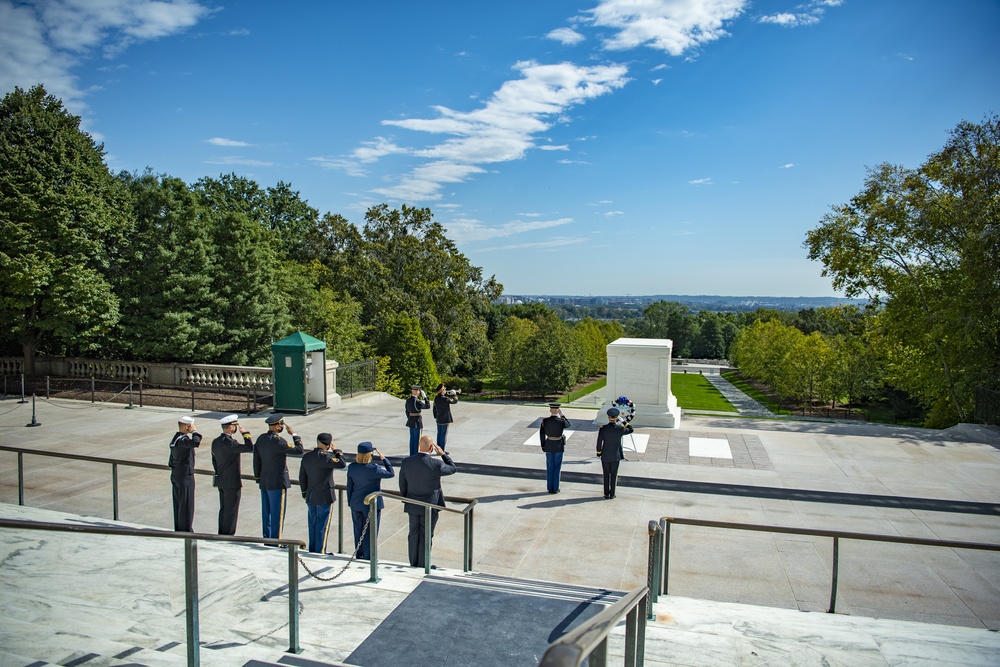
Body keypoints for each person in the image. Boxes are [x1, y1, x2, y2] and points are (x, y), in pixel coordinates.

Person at [399, 435, 456, 568]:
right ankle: (424, 564)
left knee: (413, 534)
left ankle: (414, 562)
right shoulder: (436, 464)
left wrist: (405, 498)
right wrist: (443, 455)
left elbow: (402, 483)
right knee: (426, 535)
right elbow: (452, 468)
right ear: (431, 448)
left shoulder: (407, 462)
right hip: (430, 505)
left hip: (412, 503)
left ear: (419, 445)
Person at [253, 413, 304, 542]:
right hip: (277, 481)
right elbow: (299, 450)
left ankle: (267, 539)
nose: (282, 427)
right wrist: (294, 435)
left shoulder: (261, 439)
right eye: (281, 424)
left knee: (267, 513)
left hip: (264, 481)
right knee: (277, 514)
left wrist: (258, 477)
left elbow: (256, 460)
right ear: (276, 426)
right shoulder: (279, 442)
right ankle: (276, 541)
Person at [346, 441, 394, 560]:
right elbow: (390, 473)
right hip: (371, 505)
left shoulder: (352, 467)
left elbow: (349, 487)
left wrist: (350, 502)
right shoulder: (374, 469)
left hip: (356, 503)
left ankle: (359, 554)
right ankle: (369, 556)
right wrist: (385, 460)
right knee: (371, 532)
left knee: (358, 530)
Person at [298, 433, 346, 554]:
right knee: (322, 525)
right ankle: (320, 551)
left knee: (312, 523)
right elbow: (342, 463)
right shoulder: (326, 457)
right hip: (324, 495)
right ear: (328, 445)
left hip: (310, 494)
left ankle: (313, 548)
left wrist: (304, 493)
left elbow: (302, 477)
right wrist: (337, 451)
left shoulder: (307, 456)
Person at [211, 414, 254, 535]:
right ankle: (228, 535)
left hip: (221, 480)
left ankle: (222, 532)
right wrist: (246, 434)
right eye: (235, 426)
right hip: (232, 482)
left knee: (224, 508)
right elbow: (249, 447)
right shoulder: (231, 443)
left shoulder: (216, 442)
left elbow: (214, 461)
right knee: (231, 510)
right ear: (230, 428)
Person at [168, 415, 202, 532]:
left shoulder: (176, 438)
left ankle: (180, 528)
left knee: (179, 504)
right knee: (186, 505)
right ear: (187, 427)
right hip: (185, 477)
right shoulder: (183, 440)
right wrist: (195, 431)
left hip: (177, 474)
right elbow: (196, 442)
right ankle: (186, 531)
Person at [596, 407, 634, 499]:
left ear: (608, 417)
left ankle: (606, 493)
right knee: (613, 475)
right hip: (616, 455)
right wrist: (624, 422)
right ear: (617, 418)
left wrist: (599, 452)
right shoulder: (620, 429)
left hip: (605, 455)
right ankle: (612, 494)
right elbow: (631, 429)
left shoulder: (603, 429)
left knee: (606, 474)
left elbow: (599, 442)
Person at [539, 403, 571, 494]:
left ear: (550, 410)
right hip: (558, 446)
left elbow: (541, 434)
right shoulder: (561, 421)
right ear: (558, 410)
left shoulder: (545, 421)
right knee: (557, 468)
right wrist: (562, 414)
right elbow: (568, 425)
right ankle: (555, 488)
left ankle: (550, 488)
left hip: (549, 445)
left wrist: (543, 445)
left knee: (550, 467)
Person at [404, 384, 431, 456]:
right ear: (416, 392)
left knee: (412, 440)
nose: (419, 392)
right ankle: (415, 456)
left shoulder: (408, 400)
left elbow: (407, 411)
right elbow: (428, 406)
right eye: (418, 391)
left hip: (411, 422)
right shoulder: (417, 401)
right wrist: (425, 398)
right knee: (417, 440)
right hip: (417, 422)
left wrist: (410, 418)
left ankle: (411, 455)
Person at [432, 383, 459, 450]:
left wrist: (436, 416)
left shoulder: (436, 398)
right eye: (444, 389)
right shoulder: (445, 399)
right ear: (442, 391)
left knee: (439, 434)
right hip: (445, 419)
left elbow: (434, 408)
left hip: (439, 418)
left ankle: (438, 449)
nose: (445, 390)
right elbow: (455, 401)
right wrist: (454, 394)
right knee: (443, 435)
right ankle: (442, 450)